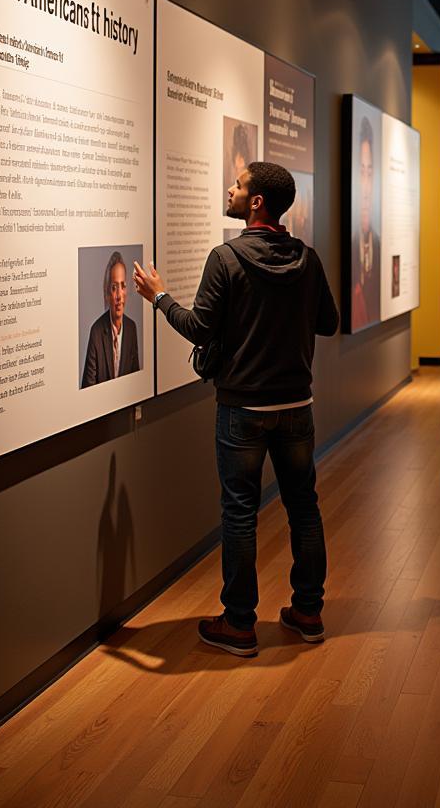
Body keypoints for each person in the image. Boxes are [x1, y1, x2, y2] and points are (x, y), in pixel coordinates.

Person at [133, 161, 339, 657]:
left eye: (238, 184)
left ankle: (240, 624)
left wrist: (159, 296)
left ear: (256, 203)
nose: (230, 188)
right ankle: (308, 612)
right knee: (303, 507)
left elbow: (200, 328)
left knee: (240, 512)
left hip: (242, 407)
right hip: (296, 405)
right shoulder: (306, 259)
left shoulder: (225, 258)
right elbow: (328, 323)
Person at [81, 250, 140, 387]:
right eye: (114, 287)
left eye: (123, 286)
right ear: (107, 293)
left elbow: (136, 383)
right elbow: (88, 387)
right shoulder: (96, 331)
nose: (119, 295)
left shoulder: (131, 328)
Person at [351, 116, 381, 330]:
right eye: (361, 172)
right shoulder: (350, 245)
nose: (365, 188)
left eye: (369, 173)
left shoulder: (379, 245)